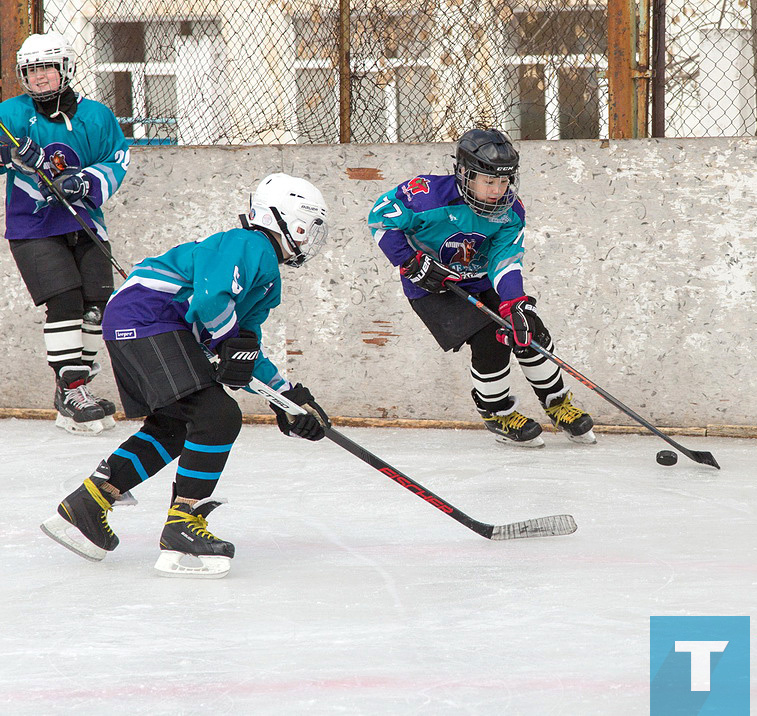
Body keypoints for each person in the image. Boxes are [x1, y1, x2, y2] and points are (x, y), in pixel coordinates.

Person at [40, 173, 332, 578]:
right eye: (306, 227)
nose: (307, 238)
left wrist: (288, 399)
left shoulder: (266, 279)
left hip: (144, 322)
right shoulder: (248, 244)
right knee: (217, 415)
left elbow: (243, 348)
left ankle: (86, 505)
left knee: (177, 425)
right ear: (282, 219)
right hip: (147, 319)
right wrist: (230, 342)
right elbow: (212, 302)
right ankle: (182, 524)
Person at [368, 127, 594, 447]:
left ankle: (557, 403)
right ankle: (497, 412)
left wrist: (515, 303)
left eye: (503, 181)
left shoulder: (510, 212)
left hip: (479, 278)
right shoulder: (425, 195)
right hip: (432, 286)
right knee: (490, 338)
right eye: (489, 181)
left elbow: (504, 259)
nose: (497, 190)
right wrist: (409, 260)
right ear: (464, 173)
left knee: (527, 329)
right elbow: (380, 218)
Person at [0, 31, 129, 435]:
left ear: (64, 70)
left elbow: (117, 158)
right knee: (65, 299)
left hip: (84, 220)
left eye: (46, 68)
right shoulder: (11, 115)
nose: (39, 77)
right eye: (31, 70)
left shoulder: (96, 116)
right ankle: (71, 389)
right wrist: (10, 156)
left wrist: (84, 182)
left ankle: (76, 390)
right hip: (33, 225)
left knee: (97, 303)